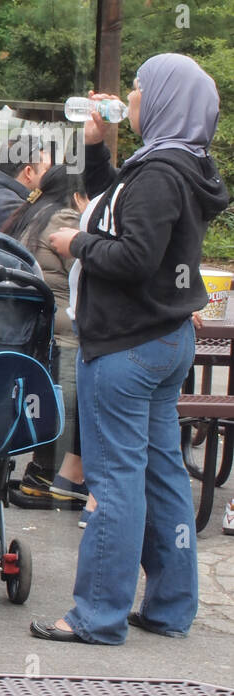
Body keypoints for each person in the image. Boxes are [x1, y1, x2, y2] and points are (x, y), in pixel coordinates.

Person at [31, 53, 227, 644]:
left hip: (126, 344)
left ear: (165, 99)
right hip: (166, 340)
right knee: (161, 475)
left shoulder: (160, 173)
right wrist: (96, 147)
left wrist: (75, 244)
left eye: (140, 89)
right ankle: (170, 608)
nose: (131, 97)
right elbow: (113, 204)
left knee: (114, 481)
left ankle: (97, 614)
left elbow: (133, 256)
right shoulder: (180, 164)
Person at [4, 164, 93, 508]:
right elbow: (87, 274)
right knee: (75, 402)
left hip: (36, 330)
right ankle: (59, 475)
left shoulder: (30, 214)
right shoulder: (67, 220)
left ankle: (41, 472)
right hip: (66, 331)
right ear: (76, 195)